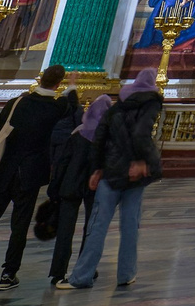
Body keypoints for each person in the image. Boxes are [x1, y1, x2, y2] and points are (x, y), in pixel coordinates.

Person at [0, 64, 74, 289]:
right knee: (19, 226)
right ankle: (8, 274)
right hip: (30, 175)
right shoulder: (56, 107)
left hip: (5, 171)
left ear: (40, 79)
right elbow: (72, 107)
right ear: (58, 84)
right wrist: (71, 87)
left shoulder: (17, 102)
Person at [64, 70, 162, 290]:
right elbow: (141, 134)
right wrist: (141, 161)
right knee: (130, 225)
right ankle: (126, 274)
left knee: (97, 224)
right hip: (134, 175)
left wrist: (97, 169)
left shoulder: (117, 105)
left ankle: (82, 276)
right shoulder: (151, 103)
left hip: (110, 170)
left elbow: (100, 137)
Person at [45, 94, 107, 287]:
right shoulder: (106, 137)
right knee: (91, 228)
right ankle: (85, 267)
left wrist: (54, 187)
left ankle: (58, 271)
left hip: (70, 185)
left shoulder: (77, 133)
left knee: (65, 229)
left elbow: (61, 163)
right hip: (94, 188)